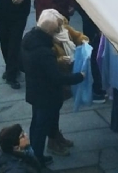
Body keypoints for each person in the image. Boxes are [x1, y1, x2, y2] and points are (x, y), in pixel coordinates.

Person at [21, 11, 83, 165]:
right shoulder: (44, 52)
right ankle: (37, 159)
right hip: (46, 95)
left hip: (35, 91)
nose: (57, 33)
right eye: (56, 30)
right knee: (41, 128)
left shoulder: (29, 40)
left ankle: (35, 154)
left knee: (36, 124)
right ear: (49, 31)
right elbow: (57, 78)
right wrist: (79, 77)